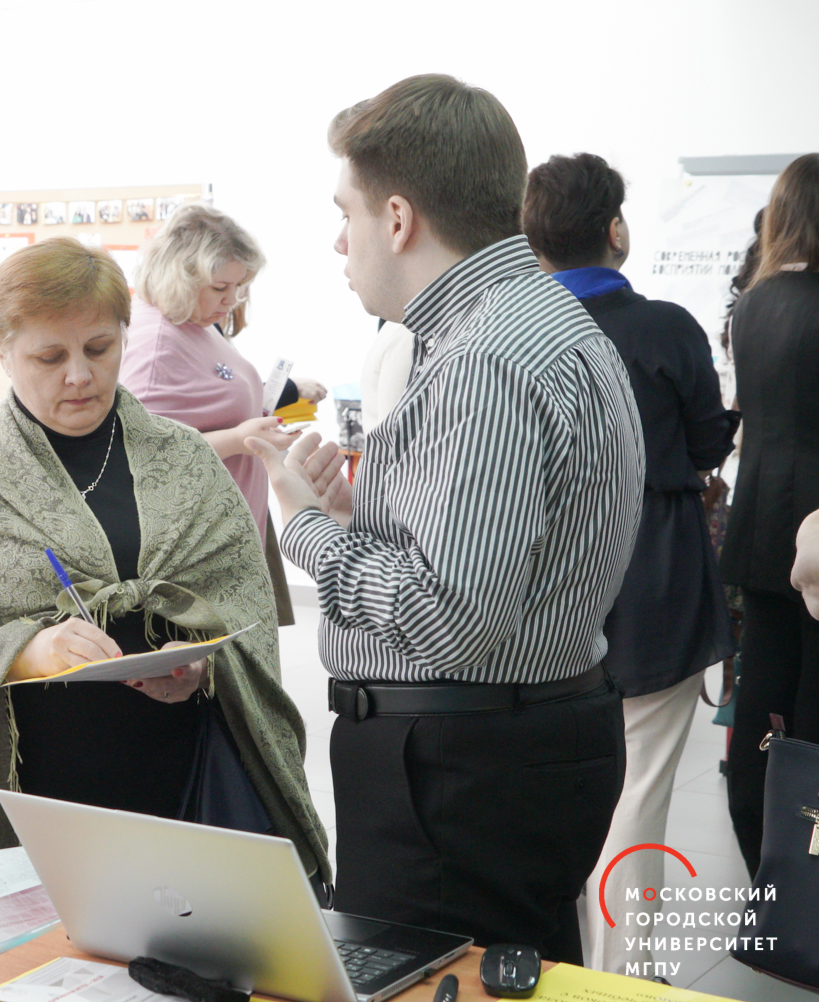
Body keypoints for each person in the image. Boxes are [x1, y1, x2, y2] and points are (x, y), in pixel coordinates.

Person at [253, 75, 643, 962]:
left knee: (432, 978)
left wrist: (307, 527)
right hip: (515, 743)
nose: (338, 239)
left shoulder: (482, 360)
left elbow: (450, 619)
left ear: (397, 220)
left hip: (459, 769)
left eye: (345, 212)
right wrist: (364, 518)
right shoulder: (541, 320)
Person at [0, 239, 331, 887]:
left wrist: (204, 665)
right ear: (3, 352)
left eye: (99, 348)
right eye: (50, 357)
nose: (80, 375)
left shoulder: (184, 459)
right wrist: (25, 652)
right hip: (34, 797)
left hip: (180, 782)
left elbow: (240, 607)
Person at [523, 152, 741, 974]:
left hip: (544, 581)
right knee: (640, 786)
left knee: (560, 788)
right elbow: (707, 441)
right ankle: (623, 975)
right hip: (656, 575)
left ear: (533, 240)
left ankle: (569, 961)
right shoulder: (666, 328)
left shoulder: (514, 337)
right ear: (615, 229)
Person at [120, 203, 325, 626]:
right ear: (180, 277)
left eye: (239, 286)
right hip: (197, 556)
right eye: (220, 288)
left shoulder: (193, 322)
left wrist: (256, 424)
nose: (232, 300)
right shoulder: (155, 345)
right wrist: (240, 439)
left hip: (228, 530)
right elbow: (141, 457)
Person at [719, 153, 819, 877]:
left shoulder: (751, 306)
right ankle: (804, 859)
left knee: (761, 693)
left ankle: (764, 851)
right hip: (814, 527)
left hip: (759, 521)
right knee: (811, 705)